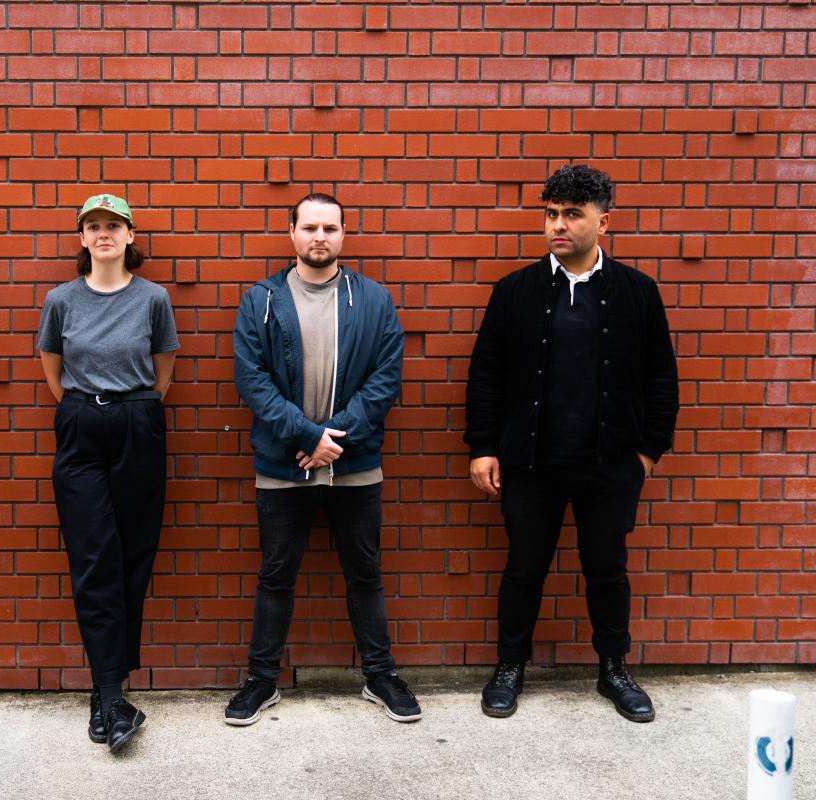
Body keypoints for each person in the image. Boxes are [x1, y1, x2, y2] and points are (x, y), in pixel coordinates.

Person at [464, 164, 678, 723]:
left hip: (609, 463)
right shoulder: (516, 291)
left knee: (606, 568)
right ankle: (510, 667)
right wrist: (483, 447)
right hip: (532, 461)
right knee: (523, 568)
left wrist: (648, 452)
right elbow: (486, 373)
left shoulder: (637, 291)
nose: (558, 225)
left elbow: (662, 377)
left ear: (602, 221)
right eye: (551, 214)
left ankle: (613, 670)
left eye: (572, 215)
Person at [226, 192, 421, 727]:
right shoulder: (261, 299)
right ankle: (260, 681)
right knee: (275, 577)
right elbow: (253, 381)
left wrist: (336, 439)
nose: (320, 237)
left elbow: (386, 378)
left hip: (354, 464)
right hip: (283, 465)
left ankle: (380, 676)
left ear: (342, 235)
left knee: (365, 574)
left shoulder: (373, 299)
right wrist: (308, 436)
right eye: (309, 227)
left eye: (330, 228)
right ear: (291, 232)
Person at [36, 193, 179, 753]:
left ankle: (108, 692)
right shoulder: (61, 300)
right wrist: (86, 407)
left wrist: (134, 408)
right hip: (80, 425)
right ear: (81, 238)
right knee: (93, 556)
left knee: (134, 554)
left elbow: (163, 366)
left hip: (138, 421)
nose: (103, 234)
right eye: (92, 226)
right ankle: (110, 694)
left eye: (112, 226)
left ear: (129, 235)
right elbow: (52, 367)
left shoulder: (153, 299)